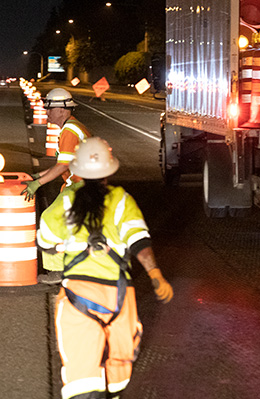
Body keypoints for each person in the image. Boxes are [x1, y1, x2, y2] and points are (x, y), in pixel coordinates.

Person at [36, 137, 173, 399]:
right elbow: (139, 242)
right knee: (120, 369)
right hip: (120, 298)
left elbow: (45, 242)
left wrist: (63, 246)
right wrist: (155, 274)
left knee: (82, 377)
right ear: (110, 170)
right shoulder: (122, 200)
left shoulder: (66, 202)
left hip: (79, 296)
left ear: (77, 169)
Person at [21, 87, 92, 284]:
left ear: (62, 109)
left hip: (80, 186)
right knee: (74, 230)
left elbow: (62, 166)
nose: (47, 112)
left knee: (49, 220)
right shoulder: (73, 127)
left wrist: (38, 183)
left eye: (50, 108)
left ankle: (57, 270)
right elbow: (62, 164)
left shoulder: (69, 130)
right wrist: (36, 175)